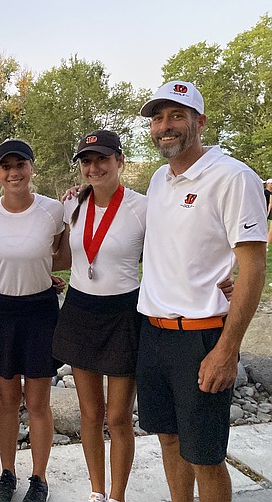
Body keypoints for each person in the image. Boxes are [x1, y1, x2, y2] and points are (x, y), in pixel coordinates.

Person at [136, 81, 267, 502]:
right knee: (169, 441)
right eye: (158, 118)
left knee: (206, 457)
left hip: (203, 337)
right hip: (154, 334)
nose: (165, 126)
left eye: (177, 115)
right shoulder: (159, 179)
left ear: (200, 122)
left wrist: (227, 349)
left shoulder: (232, 176)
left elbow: (253, 265)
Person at [52, 130, 145, 502]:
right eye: (87, 161)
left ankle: (118, 495)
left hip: (123, 313)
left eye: (102, 159)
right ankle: (96, 492)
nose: (94, 167)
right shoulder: (72, 205)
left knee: (119, 417)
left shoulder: (142, 207)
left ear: (119, 161)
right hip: (80, 310)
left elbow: (168, 258)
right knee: (90, 414)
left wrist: (218, 283)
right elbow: (59, 254)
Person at [0, 139, 67, 502]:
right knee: (7, 400)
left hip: (41, 312)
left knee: (39, 402)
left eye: (20, 165)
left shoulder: (53, 210)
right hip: (1, 311)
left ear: (31, 168)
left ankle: (39, 479)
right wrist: (6, 280)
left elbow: (59, 253)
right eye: (5, 167)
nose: (13, 173)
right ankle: (8, 473)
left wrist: (42, 276)